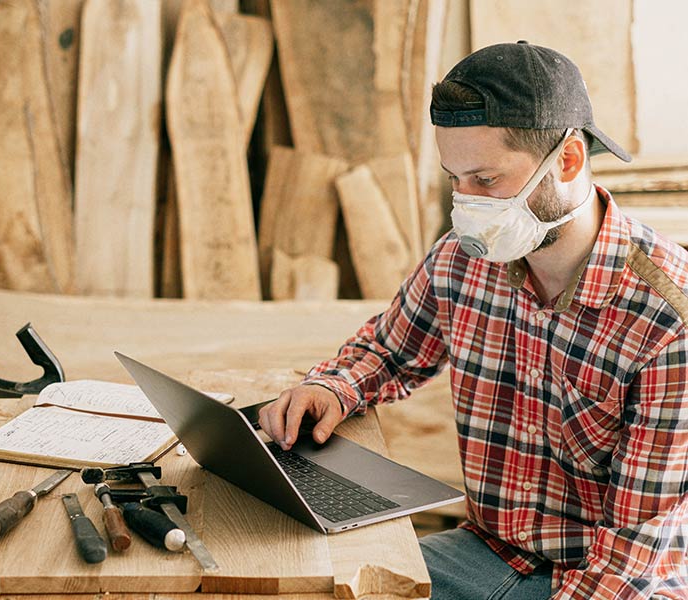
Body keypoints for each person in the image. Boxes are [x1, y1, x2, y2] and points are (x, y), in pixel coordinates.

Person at [258, 41, 687, 599]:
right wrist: (332, 388)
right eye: (453, 178)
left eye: (485, 180)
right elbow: (389, 353)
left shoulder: (667, 320)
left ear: (569, 160)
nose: (466, 204)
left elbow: (632, 555)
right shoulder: (464, 260)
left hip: (613, 580)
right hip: (484, 549)